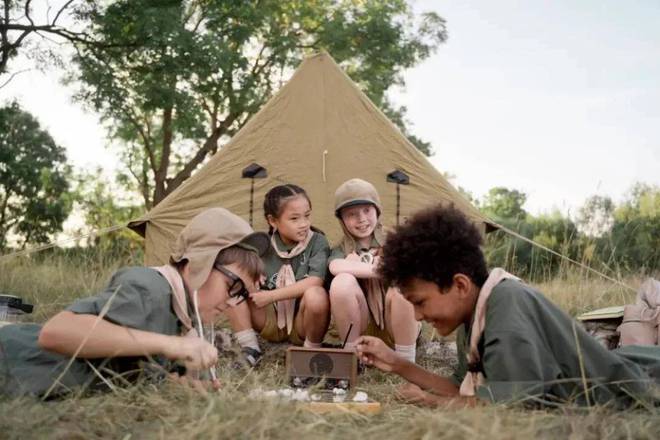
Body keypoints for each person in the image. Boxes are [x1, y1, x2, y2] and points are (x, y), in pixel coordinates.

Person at [356, 204, 660, 408]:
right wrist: (398, 364)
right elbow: (465, 389)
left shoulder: (505, 308)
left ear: (460, 285)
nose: (419, 315)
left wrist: (434, 402)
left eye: (420, 302)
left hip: (635, 390)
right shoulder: (473, 314)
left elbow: (508, 410)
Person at [0, 208, 269, 398]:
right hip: (10, 360)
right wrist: (174, 345)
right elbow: (56, 332)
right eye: (233, 286)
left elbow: (129, 366)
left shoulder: (179, 316)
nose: (233, 302)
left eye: (242, 295)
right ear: (201, 262)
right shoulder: (151, 287)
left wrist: (177, 384)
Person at [328, 178, 419, 362]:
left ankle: (405, 361)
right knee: (341, 282)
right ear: (342, 220)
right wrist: (376, 268)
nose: (361, 219)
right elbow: (335, 266)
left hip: (397, 326)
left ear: (377, 210)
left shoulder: (395, 239)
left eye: (367, 210)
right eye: (352, 214)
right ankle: (353, 357)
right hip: (364, 329)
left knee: (402, 286)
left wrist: (359, 267)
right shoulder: (341, 249)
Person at [244, 184, 331, 350]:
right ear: (273, 221)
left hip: (302, 324)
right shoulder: (263, 245)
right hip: (269, 320)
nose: (304, 224)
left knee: (316, 294)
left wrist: (271, 296)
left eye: (307, 216)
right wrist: (250, 279)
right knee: (236, 284)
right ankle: (249, 347)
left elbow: (314, 282)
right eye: (294, 218)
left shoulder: (317, 242)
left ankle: (310, 349)